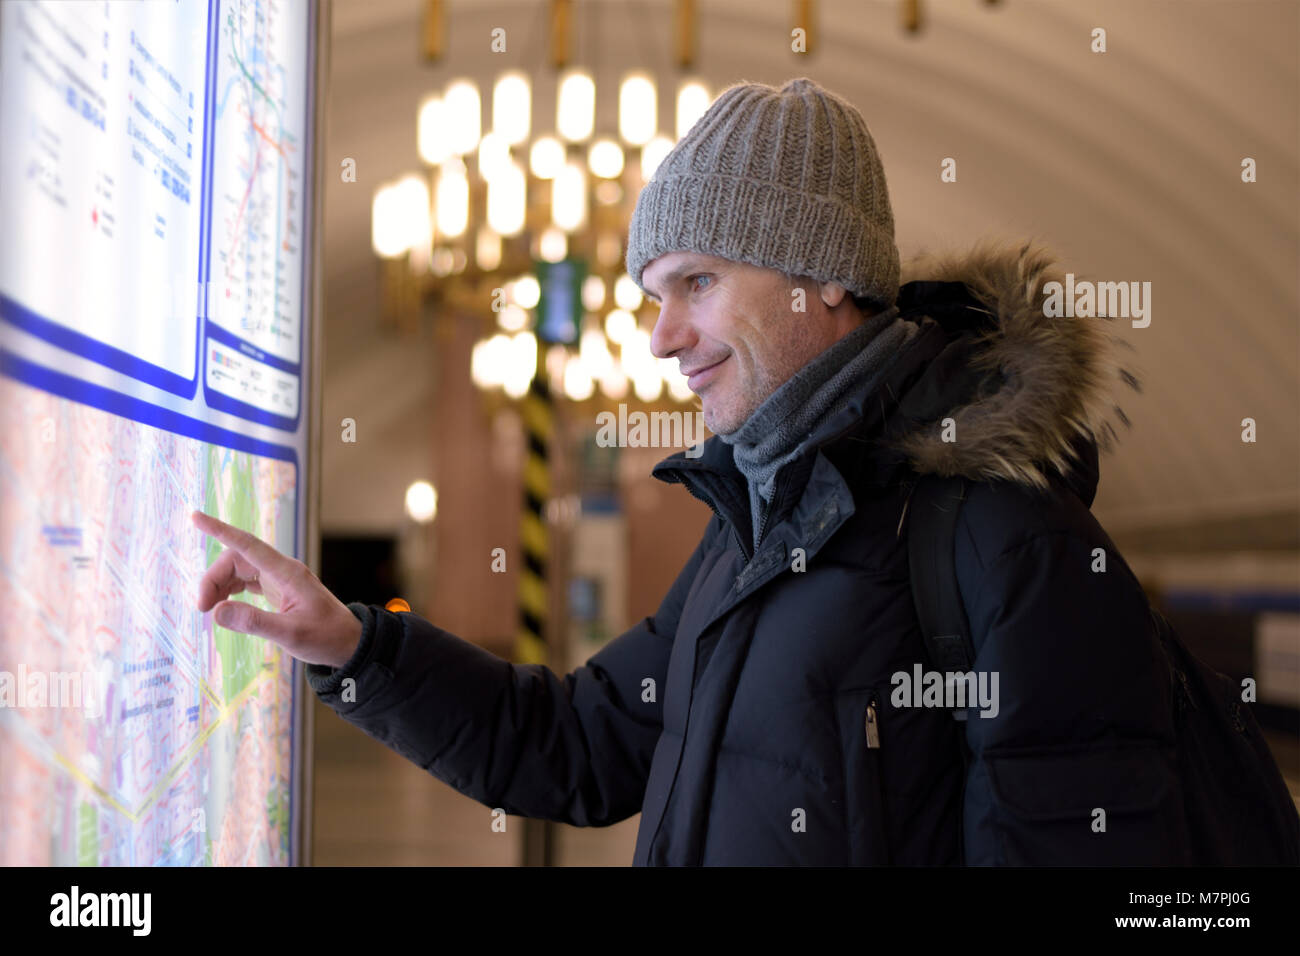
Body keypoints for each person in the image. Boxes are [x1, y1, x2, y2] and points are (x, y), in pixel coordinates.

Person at [194, 77, 1174, 866]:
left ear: (823, 272)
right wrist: (355, 648)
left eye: (696, 282)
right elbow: (578, 742)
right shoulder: (758, 520)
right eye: (651, 294)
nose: (662, 337)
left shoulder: (1008, 541)